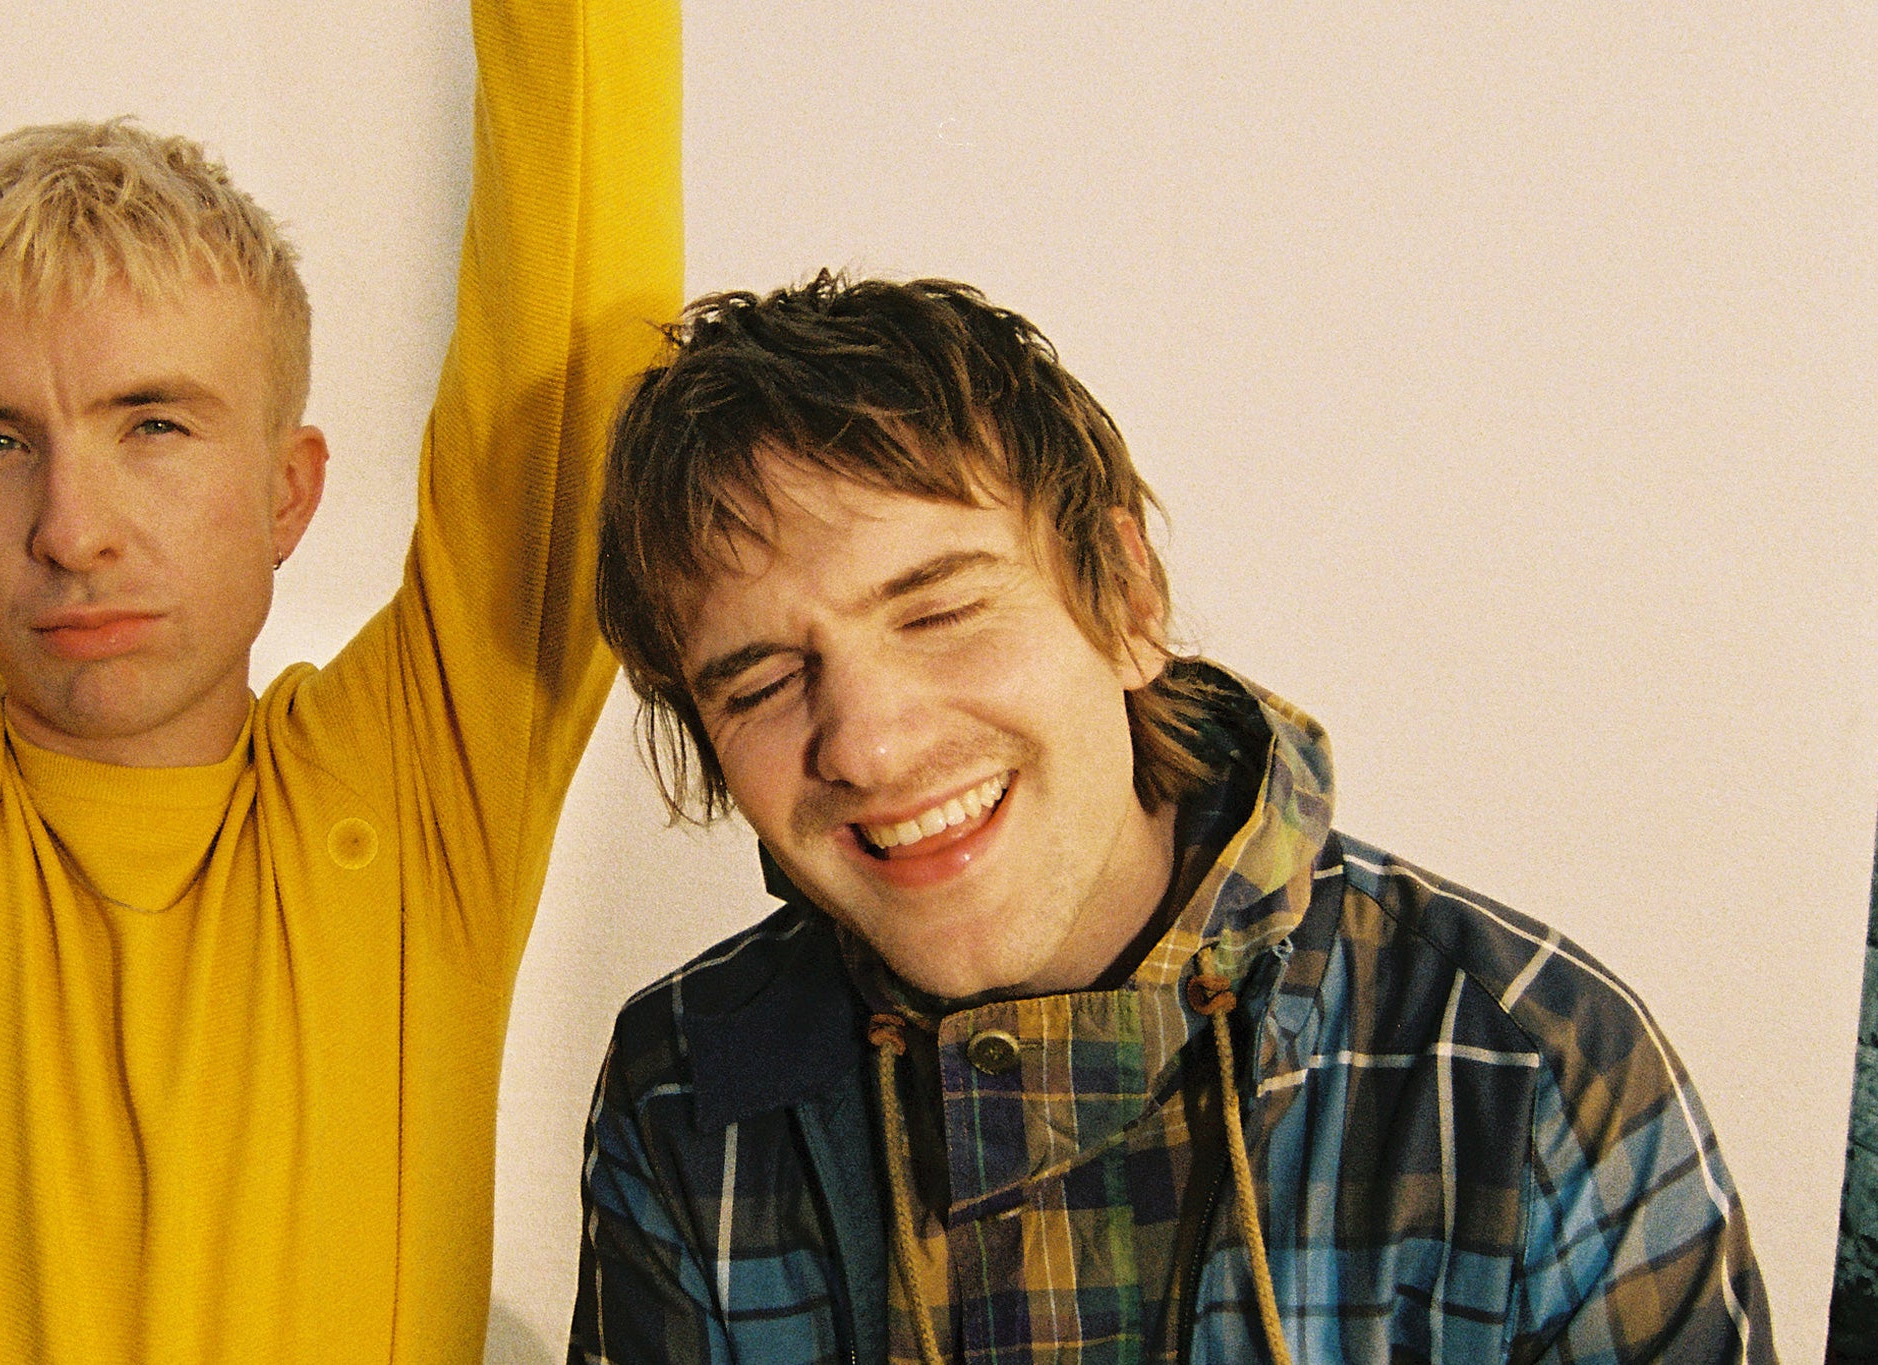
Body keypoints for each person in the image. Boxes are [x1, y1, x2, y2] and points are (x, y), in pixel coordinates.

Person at [0, 0, 676, 1356]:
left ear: (286, 491)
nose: (71, 530)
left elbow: (579, 327)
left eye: (153, 423)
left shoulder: (418, 795)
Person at [569, 274, 1771, 1364]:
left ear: (1129, 600)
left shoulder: (1524, 1067)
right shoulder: (684, 1088)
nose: (867, 746)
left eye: (938, 613)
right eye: (762, 683)